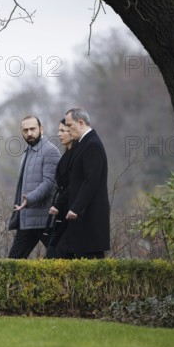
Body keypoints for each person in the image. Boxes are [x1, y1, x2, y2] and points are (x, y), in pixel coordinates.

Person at [58, 107, 110, 259]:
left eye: (69, 126)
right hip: (80, 215)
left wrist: (76, 208)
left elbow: (91, 180)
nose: (67, 130)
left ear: (80, 123)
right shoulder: (83, 143)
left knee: (91, 263)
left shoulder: (92, 144)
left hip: (89, 215)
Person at [7, 116, 61, 258]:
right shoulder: (27, 152)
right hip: (27, 219)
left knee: (60, 262)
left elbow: (49, 183)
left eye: (32, 129)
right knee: (12, 263)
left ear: (41, 129)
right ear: (22, 132)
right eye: (25, 130)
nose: (29, 133)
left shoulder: (51, 151)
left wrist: (28, 199)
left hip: (46, 219)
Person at [46, 119, 76, 258]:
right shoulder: (66, 154)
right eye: (59, 130)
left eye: (63, 131)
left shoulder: (76, 155)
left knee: (58, 255)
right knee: (52, 254)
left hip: (70, 213)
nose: (59, 134)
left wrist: (58, 204)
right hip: (61, 214)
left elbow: (73, 184)